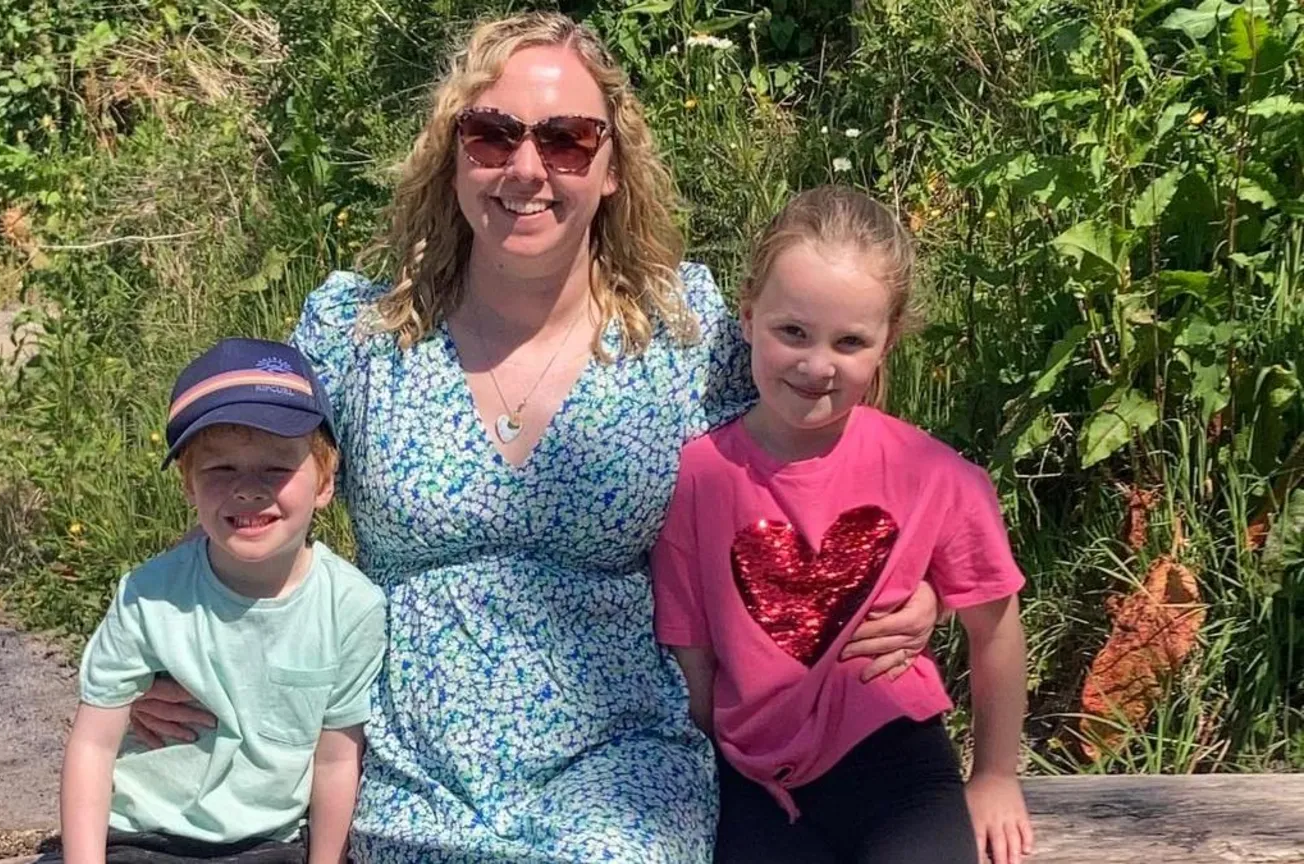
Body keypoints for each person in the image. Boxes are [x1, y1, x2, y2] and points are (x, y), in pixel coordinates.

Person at [128, 15, 940, 863]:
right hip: (401, 770)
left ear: (612, 166)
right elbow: (249, 482)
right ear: (454, 156)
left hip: (622, 769)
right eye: (492, 135)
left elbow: (830, 451)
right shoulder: (360, 334)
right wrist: (171, 639)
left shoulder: (687, 333)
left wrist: (907, 585)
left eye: (566, 139)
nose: (526, 169)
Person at [651, 186, 1035, 864]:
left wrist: (996, 776)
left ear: (886, 344)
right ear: (746, 317)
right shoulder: (699, 478)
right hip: (749, 778)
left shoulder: (937, 476)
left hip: (893, 763)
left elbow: (995, 628)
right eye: (792, 331)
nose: (816, 364)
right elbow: (695, 660)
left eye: (850, 341)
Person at [55, 338, 386, 864]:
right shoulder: (147, 596)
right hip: (141, 834)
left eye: (277, 468)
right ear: (188, 485)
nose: (248, 489)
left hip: (267, 845)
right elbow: (93, 746)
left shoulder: (351, 607)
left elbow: (336, 760)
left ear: (325, 480)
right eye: (220, 470)